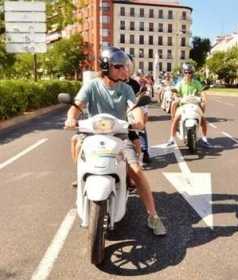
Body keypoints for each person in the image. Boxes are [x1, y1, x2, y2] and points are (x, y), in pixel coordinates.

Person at [64, 47, 167, 236]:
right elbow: (76, 106)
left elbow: (134, 107)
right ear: (106, 67)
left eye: (124, 67)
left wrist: (137, 120)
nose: (124, 70)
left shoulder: (126, 89)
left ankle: (153, 216)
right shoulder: (92, 86)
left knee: (136, 170)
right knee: (77, 142)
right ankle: (81, 177)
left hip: (120, 135)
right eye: (119, 67)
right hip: (93, 134)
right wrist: (72, 117)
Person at [166, 63, 210, 148]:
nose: (188, 74)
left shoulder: (196, 83)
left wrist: (204, 98)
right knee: (176, 119)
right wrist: (176, 97)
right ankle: (172, 138)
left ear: (192, 73)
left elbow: (202, 91)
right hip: (183, 105)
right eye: (186, 72)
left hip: (195, 104)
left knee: (203, 120)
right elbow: (175, 91)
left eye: (190, 72)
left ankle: (205, 139)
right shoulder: (180, 83)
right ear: (183, 73)